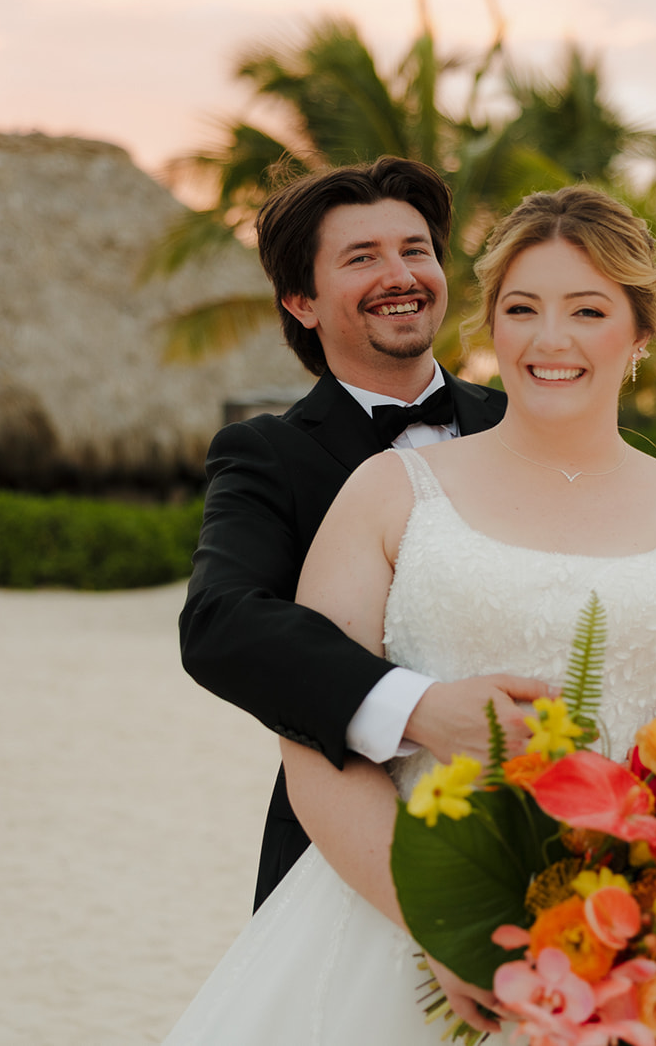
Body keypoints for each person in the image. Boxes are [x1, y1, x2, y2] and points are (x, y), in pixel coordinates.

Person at [162, 185, 656, 1044]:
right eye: (524, 308)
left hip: (637, 942)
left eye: (588, 307)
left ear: (640, 329)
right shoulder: (354, 482)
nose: (552, 338)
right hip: (390, 904)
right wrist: (442, 917)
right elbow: (233, 634)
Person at [177, 157, 553, 912]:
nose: (401, 274)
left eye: (416, 250)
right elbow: (220, 622)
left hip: (557, 828)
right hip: (345, 851)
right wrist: (417, 710)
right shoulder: (267, 454)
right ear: (301, 302)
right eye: (362, 257)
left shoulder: (534, 420)